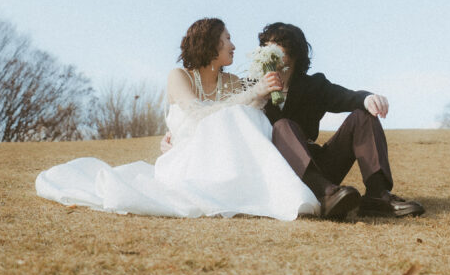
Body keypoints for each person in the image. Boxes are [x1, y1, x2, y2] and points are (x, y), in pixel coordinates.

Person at [35, 18, 319, 221]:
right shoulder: (179, 77)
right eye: (227, 39)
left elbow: (254, 105)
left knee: (245, 114)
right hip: (185, 156)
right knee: (235, 112)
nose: (233, 45)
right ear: (211, 45)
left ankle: (263, 190)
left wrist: (267, 84)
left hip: (223, 157)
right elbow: (196, 113)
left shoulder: (232, 82)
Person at [257, 22, 425, 220]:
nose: (269, 50)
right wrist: (259, 94)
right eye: (265, 45)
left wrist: (367, 98)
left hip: (319, 168)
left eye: (276, 44)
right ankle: (324, 195)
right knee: (282, 125)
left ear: (294, 53)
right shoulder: (254, 89)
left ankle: (377, 195)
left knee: (363, 114)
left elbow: (344, 96)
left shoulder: (313, 85)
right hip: (282, 171)